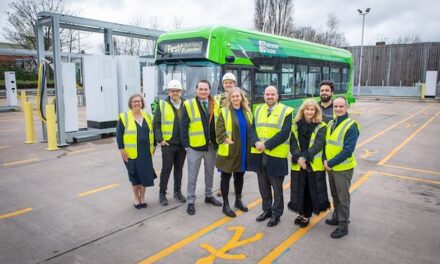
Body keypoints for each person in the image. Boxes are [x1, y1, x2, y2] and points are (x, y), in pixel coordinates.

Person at [249, 86, 293, 227]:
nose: (269, 97)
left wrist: (266, 145)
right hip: (259, 154)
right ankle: (266, 210)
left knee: (277, 188)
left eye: (272, 94)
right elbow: (252, 128)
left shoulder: (286, 111)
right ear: (264, 95)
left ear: (277, 96)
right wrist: (255, 141)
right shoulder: (258, 109)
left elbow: (284, 133)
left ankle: (276, 214)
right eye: (267, 94)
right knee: (263, 186)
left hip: (276, 156)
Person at [181, 80, 223, 215]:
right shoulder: (188, 104)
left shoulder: (215, 103)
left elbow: (220, 123)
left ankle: (209, 196)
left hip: (211, 146)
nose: (203, 92)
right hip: (195, 146)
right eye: (201, 89)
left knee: (210, 173)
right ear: (196, 90)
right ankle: (191, 201)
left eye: (206, 89)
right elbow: (183, 127)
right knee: (192, 176)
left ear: (209, 90)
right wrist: (186, 146)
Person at [288, 99, 330, 228]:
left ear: (316, 111)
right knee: (298, 189)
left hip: (313, 164)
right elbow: (293, 144)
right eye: (307, 109)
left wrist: (304, 158)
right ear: (303, 110)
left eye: (312, 109)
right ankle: (300, 213)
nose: (310, 112)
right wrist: (299, 159)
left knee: (309, 191)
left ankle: (306, 216)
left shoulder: (321, 125)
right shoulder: (295, 125)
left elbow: (318, 145)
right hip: (299, 163)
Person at [324, 96, 360, 239]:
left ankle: (343, 225)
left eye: (341, 106)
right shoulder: (331, 123)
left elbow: (347, 150)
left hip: (343, 169)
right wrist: (326, 161)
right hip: (331, 167)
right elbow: (327, 144)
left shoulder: (351, 126)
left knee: (343, 197)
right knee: (334, 194)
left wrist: (330, 163)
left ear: (347, 108)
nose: (338, 109)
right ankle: (337, 217)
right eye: (335, 107)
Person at [216, 88, 252, 217]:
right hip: (229, 151)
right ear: (229, 99)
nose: (236, 98)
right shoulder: (224, 112)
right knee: (226, 177)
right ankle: (226, 205)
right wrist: (227, 140)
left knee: (239, 176)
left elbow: (251, 129)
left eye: (238, 96)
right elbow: (219, 131)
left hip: (243, 151)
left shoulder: (247, 112)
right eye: (233, 97)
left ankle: (238, 200)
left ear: (242, 97)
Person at [116, 94, 156, 209]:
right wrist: (122, 150)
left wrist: (154, 146)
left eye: (139, 101)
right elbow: (119, 135)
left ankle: (142, 197)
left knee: (144, 176)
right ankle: (136, 198)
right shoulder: (124, 117)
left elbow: (152, 132)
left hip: (146, 153)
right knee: (135, 177)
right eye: (134, 101)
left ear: (142, 103)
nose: (137, 103)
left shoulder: (148, 116)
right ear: (130, 103)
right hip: (131, 153)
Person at [153, 80, 186, 206]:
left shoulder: (186, 104)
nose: (175, 93)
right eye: (172, 91)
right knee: (166, 169)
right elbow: (156, 123)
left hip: (182, 144)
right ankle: (162, 194)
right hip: (168, 144)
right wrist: (160, 139)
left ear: (181, 92)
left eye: (177, 91)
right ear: (168, 92)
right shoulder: (162, 105)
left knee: (179, 169)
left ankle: (177, 192)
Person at [215, 72, 237, 197]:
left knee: (236, 161)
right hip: (223, 136)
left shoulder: (239, 96)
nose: (228, 84)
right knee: (223, 163)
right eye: (226, 83)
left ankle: (236, 186)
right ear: (223, 85)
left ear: (234, 84)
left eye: (230, 82)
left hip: (236, 135)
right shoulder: (218, 98)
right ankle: (221, 187)